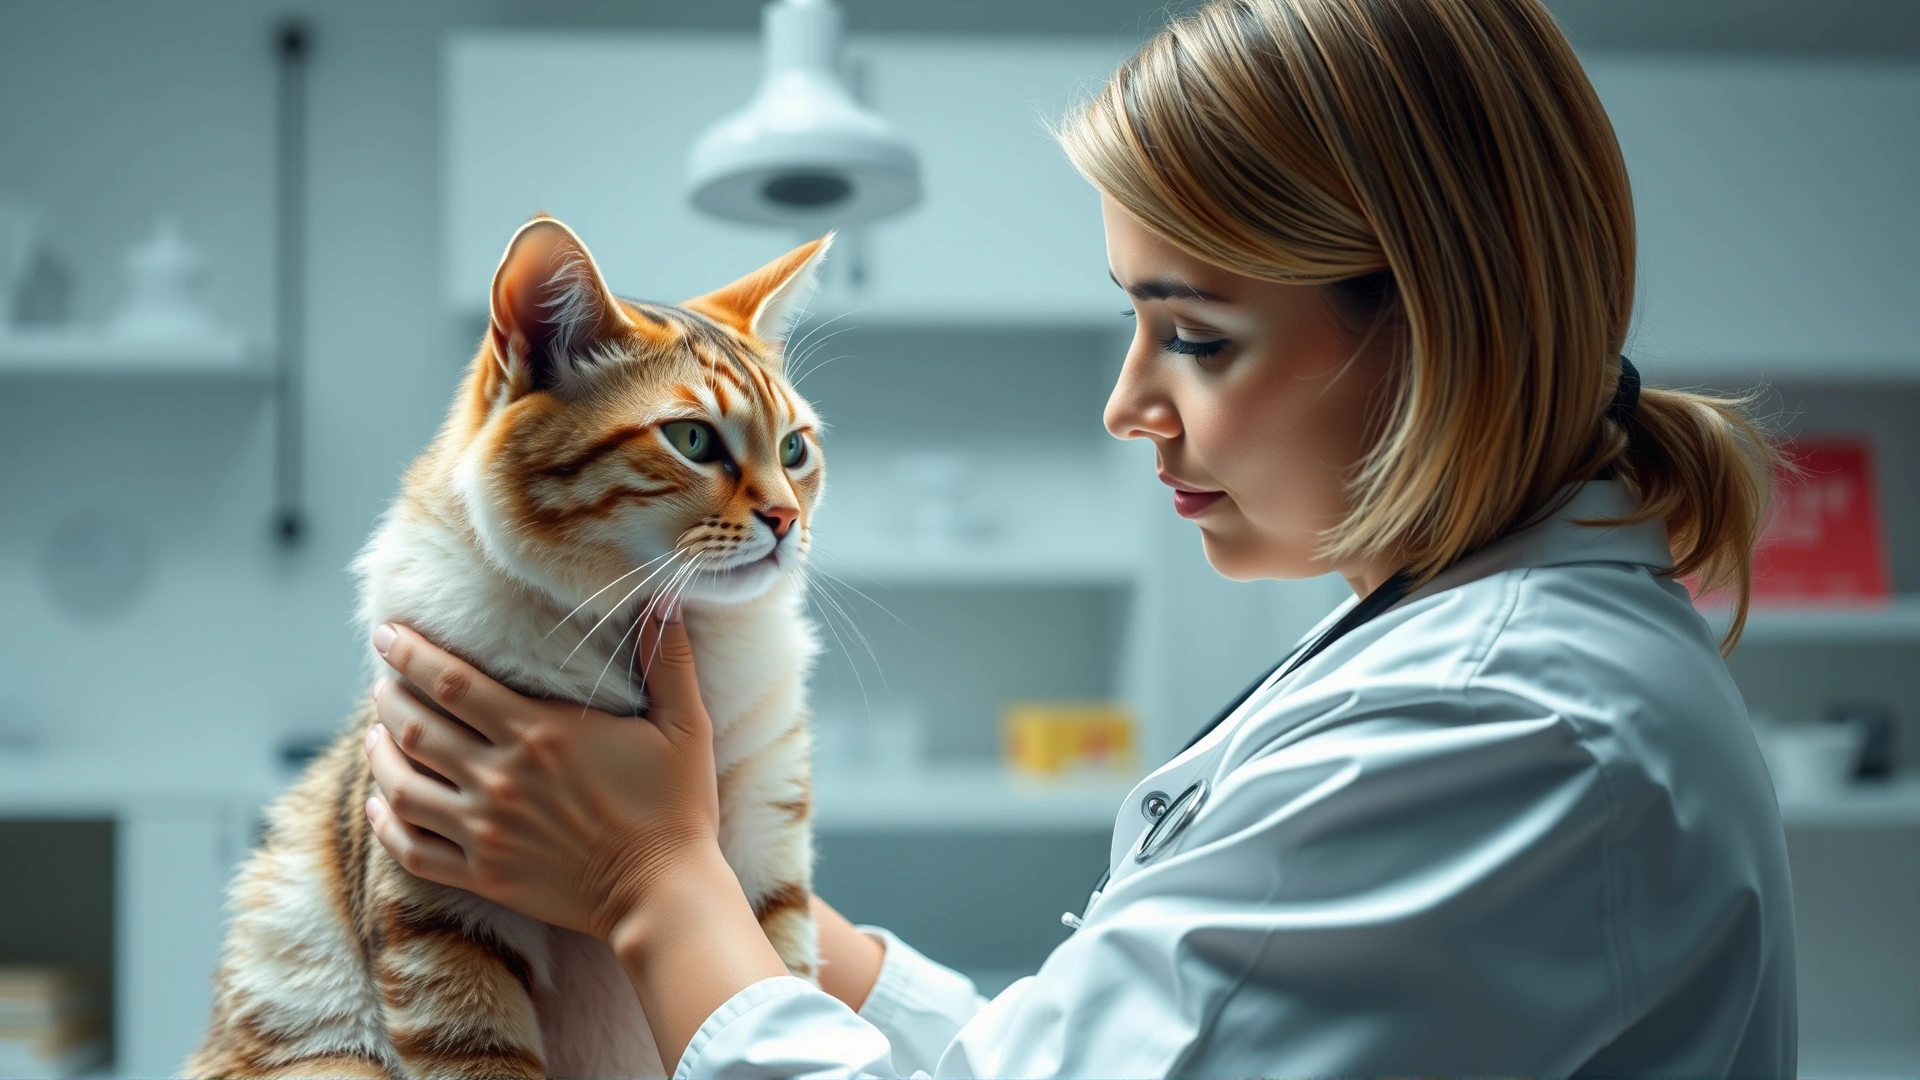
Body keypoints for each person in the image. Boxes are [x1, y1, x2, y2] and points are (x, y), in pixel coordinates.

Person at [361, 0, 1797, 1075]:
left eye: (1197, 337)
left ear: (1441, 331)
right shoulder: (1460, 648)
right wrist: (781, 923)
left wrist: (651, 886)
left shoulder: (1500, 727)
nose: (1127, 405)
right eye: (1135, 322)